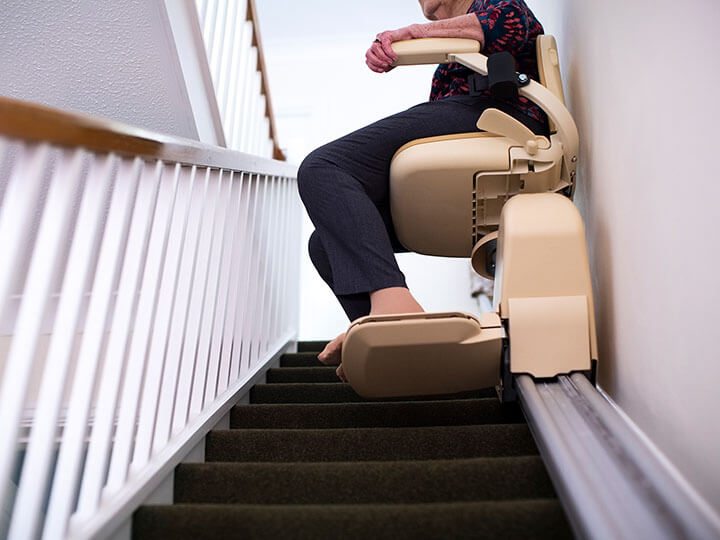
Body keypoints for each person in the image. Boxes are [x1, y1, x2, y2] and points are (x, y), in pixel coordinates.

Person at [297, 0, 547, 380]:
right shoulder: (450, 58)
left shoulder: (498, 4)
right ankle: (389, 340)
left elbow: (508, 23)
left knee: (324, 167)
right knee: (325, 244)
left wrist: (412, 34)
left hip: (500, 116)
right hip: (469, 139)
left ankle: (395, 307)